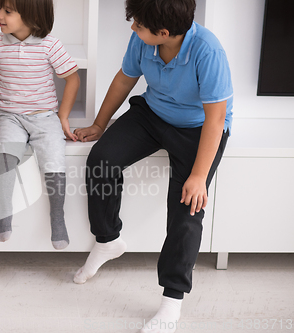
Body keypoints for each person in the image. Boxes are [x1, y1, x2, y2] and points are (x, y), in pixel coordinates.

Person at [73, 0, 233, 331]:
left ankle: (171, 301)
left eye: (139, 26)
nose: (133, 29)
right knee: (102, 160)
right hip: (152, 114)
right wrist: (100, 125)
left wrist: (199, 176)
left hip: (199, 128)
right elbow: (124, 79)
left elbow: (216, 118)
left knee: (187, 209)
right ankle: (107, 240)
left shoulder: (208, 51)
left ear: (163, 33)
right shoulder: (145, 38)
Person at [0, 0, 80, 250]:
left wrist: (63, 116)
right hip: (8, 115)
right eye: (0, 7)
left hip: (44, 116)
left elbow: (73, 79)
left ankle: (58, 218)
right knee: (6, 154)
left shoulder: (50, 44)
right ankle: (5, 212)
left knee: (54, 159)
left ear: (31, 16)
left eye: (7, 11)